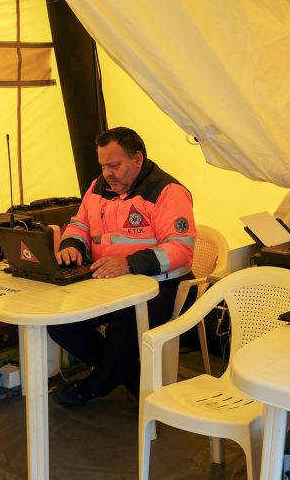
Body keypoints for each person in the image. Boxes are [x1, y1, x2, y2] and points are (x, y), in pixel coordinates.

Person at [49, 127, 196, 407]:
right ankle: (131, 376)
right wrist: (72, 245)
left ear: (137, 159)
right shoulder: (97, 187)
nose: (107, 173)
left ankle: (96, 385)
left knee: (122, 330)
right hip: (110, 283)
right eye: (103, 165)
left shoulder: (168, 191)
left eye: (114, 165)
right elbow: (79, 224)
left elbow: (180, 248)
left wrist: (129, 264)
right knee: (61, 325)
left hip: (163, 286)